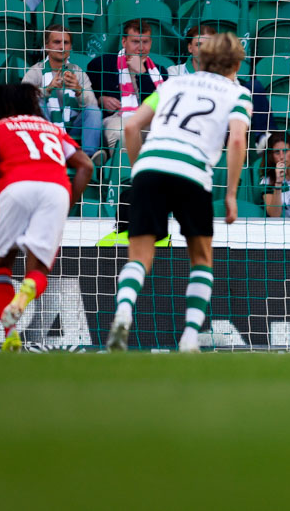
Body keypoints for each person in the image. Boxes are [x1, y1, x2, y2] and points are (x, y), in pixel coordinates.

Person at [107, 32, 251, 352]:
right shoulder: (238, 93)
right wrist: (230, 194)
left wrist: (139, 170)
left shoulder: (172, 84)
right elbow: (238, 141)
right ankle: (189, 337)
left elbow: (131, 127)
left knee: (140, 257)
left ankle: (123, 313)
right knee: (201, 258)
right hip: (192, 172)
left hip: (151, 168)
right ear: (237, 63)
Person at [0, 83, 93, 351]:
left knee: (2, 266)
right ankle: (26, 291)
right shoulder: (52, 130)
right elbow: (86, 166)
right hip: (56, 189)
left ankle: (11, 336)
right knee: (38, 270)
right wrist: (67, 203)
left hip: (16, 187)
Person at [22, 23, 103, 156]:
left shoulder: (78, 72)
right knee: (37, 105)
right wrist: (47, 89)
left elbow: (92, 105)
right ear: (47, 46)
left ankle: (88, 156)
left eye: (66, 43)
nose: (61, 47)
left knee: (93, 111)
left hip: (73, 128)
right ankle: (44, 153)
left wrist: (78, 91)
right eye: (57, 42)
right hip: (46, 128)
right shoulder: (36, 71)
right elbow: (22, 102)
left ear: (70, 47)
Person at [87, 19, 166, 149]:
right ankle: (124, 169)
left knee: (165, 133)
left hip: (149, 120)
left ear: (151, 43)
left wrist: (142, 72)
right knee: (122, 133)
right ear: (124, 42)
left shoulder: (160, 71)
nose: (141, 47)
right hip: (117, 118)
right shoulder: (101, 64)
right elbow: (87, 97)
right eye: (135, 42)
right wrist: (101, 99)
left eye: (145, 42)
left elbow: (162, 102)